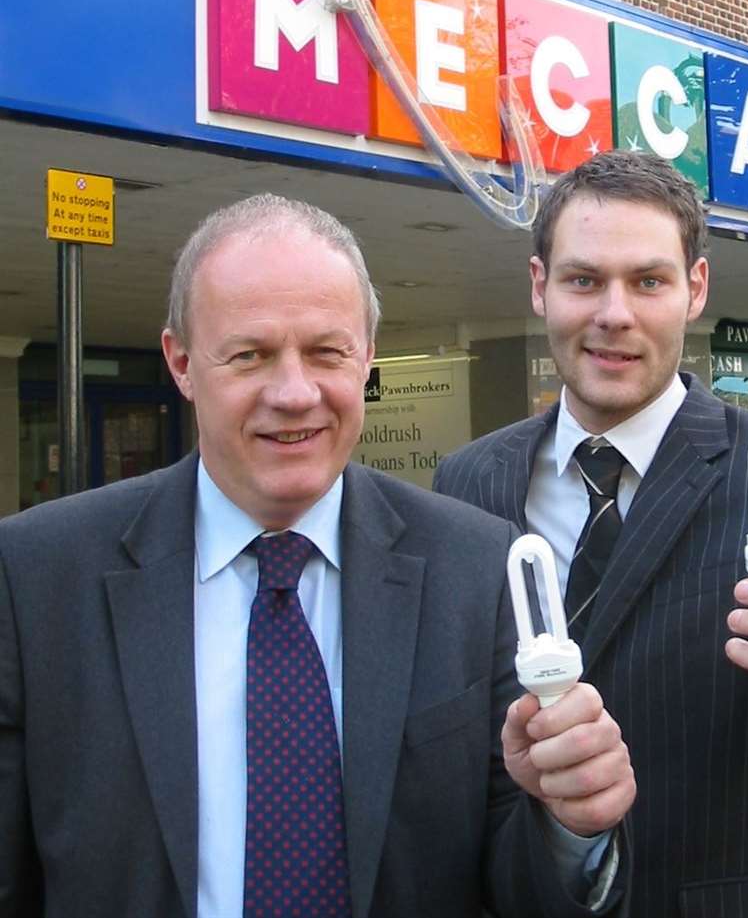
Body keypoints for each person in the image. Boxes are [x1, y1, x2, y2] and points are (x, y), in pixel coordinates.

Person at [0, 195, 635, 918]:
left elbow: (510, 884)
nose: (294, 393)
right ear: (181, 361)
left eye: (327, 352)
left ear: (366, 354)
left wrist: (569, 824)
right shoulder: (36, 576)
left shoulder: (475, 567)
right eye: (250, 354)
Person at [434, 151, 748, 918]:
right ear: (540, 286)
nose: (614, 314)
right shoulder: (467, 481)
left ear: (694, 289)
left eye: (648, 281)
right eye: (584, 279)